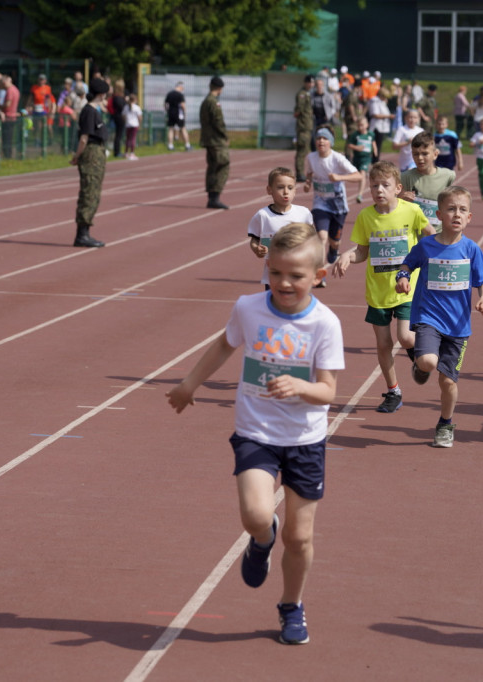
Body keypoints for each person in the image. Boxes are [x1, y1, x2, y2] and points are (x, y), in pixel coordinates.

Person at [166, 222, 344, 646]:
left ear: (318, 277)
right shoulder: (248, 308)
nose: (284, 283)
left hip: (304, 440)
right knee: (257, 517)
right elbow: (226, 345)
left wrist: (300, 387)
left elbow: (328, 392)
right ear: (266, 269)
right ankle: (261, 541)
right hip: (256, 432)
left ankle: (291, 605)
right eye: (277, 273)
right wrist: (191, 383)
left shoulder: (325, 324)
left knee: (299, 538)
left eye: (296, 276)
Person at [396, 185, 483, 447]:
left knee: (448, 381)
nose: (457, 214)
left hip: (458, 326)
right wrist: (402, 278)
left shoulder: (471, 249)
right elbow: (406, 264)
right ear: (439, 214)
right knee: (428, 361)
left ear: (469, 217)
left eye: (462, 210)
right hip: (429, 317)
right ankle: (420, 364)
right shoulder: (426, 246)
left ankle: (445, 423)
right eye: (451, 209)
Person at [332, 160, 433, 413]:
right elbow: (362, 252)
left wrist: (431, 256)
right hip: (377, 292)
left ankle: (418, 360)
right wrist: (346, 255)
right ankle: (393, 391)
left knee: (406, 336)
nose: (379, 190)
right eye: (374, 185)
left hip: (406, 287)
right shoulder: (366, 217)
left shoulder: (411, 211)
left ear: (397, 188)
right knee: (383, 344)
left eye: (384, 185)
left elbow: (430, 236)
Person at [303, 127, 361, 271]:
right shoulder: (311, 157)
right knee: (322, 237)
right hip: (320, 204)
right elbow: (309, 173)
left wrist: (339, 177)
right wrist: (308, 183)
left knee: (335, 242)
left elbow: (358, 175)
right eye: (318, 138)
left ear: (331, 142)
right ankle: (320, 271)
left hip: (338, 206)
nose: (321, 141)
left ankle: (334, 250)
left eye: (325, 138)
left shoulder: (338, 159)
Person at [247, 167, 314, 287]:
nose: (285, 192)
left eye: (290, 188)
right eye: (280, 187)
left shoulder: (304, 213)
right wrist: (257, 249)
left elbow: (312, 239)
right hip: (273, 275)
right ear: (269, 190)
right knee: (272, 305)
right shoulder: (263, 215)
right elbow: (254, 239)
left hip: (298, 273)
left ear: (295, 191)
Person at [70, 77, 110, 248]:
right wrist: (77, 156)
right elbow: (84, 138)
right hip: (91, 153)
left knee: (94, 192)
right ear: (101, 94)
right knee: (89, 192)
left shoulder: (95, 110)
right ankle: (82, 234)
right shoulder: (89, 112)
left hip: (97, 153)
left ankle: (85, 231)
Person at [400, 131, 456, 233]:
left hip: (438, 236)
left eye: (424, 154)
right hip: (414, 237)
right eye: (415, 154)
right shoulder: (405, 177)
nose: (420, 158)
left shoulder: (448, 176)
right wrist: (400, 199)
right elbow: (393, 206)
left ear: (435, 154)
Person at [200, 76, 230, 210]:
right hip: (216, 140)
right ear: (220, 88)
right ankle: (215, 197)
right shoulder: (214, 102)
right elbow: (218, 121)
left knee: (212, 166)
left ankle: (211, 197)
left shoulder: (205, 101)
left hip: (208, 139)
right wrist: (225, 135)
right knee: (223, 166)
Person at [346, 116, 376, 204]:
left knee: (363, 174)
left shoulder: (371, 134)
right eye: (358, 125)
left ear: (367, 125)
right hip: (356, 158)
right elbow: (349, 145)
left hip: (366, 158)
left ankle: (360, 194)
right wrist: (357, 147)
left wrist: (375, 150)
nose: (360, 127)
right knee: (355, 175)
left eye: (362, 125)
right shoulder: (355, 135)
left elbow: (373, 142)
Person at [294, 74, 314, 182]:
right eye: (310, 82)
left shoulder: (308, 93)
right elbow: (298, 110)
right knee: (302, 150)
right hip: (303, 126)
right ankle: (300, 173)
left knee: (305, 150)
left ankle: (301, 172)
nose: (311, 84)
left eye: (312, 82)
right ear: (305, 83)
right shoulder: (302, 94)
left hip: (307, 126)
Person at [367, 87, 394, 164]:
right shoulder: (375, 101)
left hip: (382, 126)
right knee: (375, 144)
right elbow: (375, 114)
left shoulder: (382, 102)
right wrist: (388, 116)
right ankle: (375, 160)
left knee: (378, 144)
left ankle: (375, 159)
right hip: (377, 126)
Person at [164, 81, 191, 151]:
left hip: (171, 113)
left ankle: (170, 145)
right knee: (183, 129)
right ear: (180, 87)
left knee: (171, 129)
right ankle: (187, 145)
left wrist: (168, 111)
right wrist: (185, 113)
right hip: (179, 114)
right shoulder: (180, 95)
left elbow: (166, 105)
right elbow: (183, 105)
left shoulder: (169, 94)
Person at [122, 94, 142, 161]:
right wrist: (139, 124)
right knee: (133, 138)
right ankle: (132, 153)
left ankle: (126, 152)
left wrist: (126, 121)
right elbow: (139, 117)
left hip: (128, 125)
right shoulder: (137, 107)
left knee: (128, 139)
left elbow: (123, 115)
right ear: (135, 100)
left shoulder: (126, 107)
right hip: (134, 124)